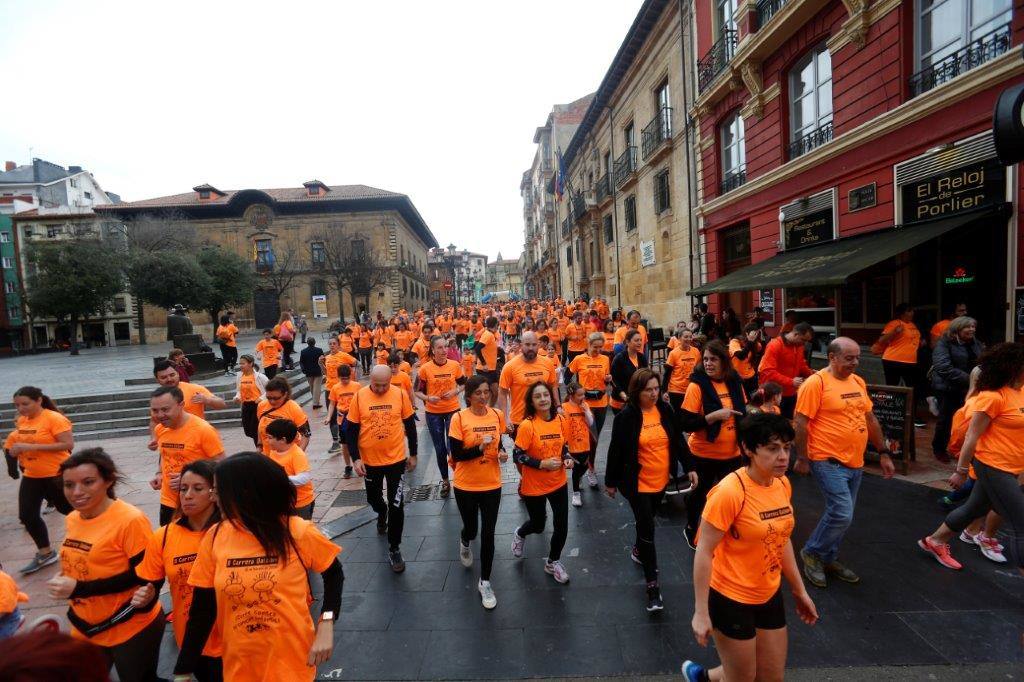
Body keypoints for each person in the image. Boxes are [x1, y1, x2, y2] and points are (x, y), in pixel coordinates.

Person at [173, 453, 342, 682]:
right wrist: (183, 670)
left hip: (291, 665)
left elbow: (334, 574)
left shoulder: (297, 532)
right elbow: (202, 610)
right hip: (239, 667)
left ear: (245, 494)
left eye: (219, 491)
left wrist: (327, 622)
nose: (215, 499)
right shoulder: (215, 537)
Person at [682, 413, 818, 682]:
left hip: (768, 593)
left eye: (787, 448)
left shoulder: (782, 484)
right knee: (743, 677)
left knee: (770, 677)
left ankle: (703, 677)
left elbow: (782, 538)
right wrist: (700, 611)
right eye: (772, 448)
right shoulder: (730, 492)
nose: (783, 456)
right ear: (747, 449)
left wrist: (799, 590)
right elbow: (704, 551)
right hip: (730, 598)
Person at [50, 449, 165, 682]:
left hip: (128, 626)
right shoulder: (72, 518)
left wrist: (78, 588)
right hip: (85, 626)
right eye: (69, 485)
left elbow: (142, 576)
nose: (77, 492)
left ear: (108, 480)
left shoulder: (129, 520)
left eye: (88, 482)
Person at [794, 337, 895, 588]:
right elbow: (801, 423)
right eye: (849, 358)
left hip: (855, 461)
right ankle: (813, 552)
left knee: (842, 515)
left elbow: (870, 419)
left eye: (858, 357)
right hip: (826, 459)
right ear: (832, 357)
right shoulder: (815, 384)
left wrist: (883, 452)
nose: (856, 362)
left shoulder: (857, 381)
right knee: (841, 512)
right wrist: (802, 458)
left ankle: (828, 557)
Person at [918, 342, 1024, 574]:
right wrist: (961, 470)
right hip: (993, 466)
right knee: (1021, 524)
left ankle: (934, 541)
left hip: (1013, 465)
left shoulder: (1021, 392)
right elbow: (971, 436)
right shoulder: (992, 397)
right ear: (1014, 367)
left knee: (973, 508)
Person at [606, 369, 698, 612]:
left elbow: (678, 440)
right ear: (638, 391)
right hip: (636, 485)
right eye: (649, 390)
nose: (654, 394)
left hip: (660, 482)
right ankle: (653, 587)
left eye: (657, 388)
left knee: (645, 524)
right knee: (647, 528)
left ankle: (638, 548)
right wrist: (611, 482)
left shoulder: (665, 411)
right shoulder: (626, 417)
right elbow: (615, 450)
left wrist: (689, 467)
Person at [133, 459, 223, 682]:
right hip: (193, 641)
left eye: (197, 488)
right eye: (183, 488)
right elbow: (150, 583)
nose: (188, 495)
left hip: (236, 639)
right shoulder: (164, 536)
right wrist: (147, 595)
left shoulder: (232, 530)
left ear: (214, 493)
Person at [346, 365, 418, 572]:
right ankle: (381, 511)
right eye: (376, 385)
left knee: (398, 505)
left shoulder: (399, 394)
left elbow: (410, 425)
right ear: (370, 381)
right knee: (374, 499)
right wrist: (356, 459)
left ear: (390, 380)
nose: (379, 389)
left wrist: (413, 454)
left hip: (396, 460)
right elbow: (351, 430)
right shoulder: (359, 396)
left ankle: (394, 548)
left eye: (384, 385)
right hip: (369, 462)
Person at [679, 340, 747, 550]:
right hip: (703, 454)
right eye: (705, 359)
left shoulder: (734, 381)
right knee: (700, 496)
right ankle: (691, 527)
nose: (708, 363)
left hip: (733, 454)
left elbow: (742, 411)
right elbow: (685, 422)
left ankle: (727, 529)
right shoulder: (696, 386)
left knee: (732, 496)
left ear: (724, 362)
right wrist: (712, 417)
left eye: (713, 359)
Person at [448, 375, 507, 610]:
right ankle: (464, 539)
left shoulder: (497, 415)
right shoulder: (459, 418)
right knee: (472, 530)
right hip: (466, 485)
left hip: (492, 484)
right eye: (478, 393)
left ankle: (485, 582)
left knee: (489, 533)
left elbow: (499, 444)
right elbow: (457, 455)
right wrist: (479, 448)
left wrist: (501, 453)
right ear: (469, 396)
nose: (483, 397)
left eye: (486, 392)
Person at [3, 386, 73, 575]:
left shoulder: (54, 418)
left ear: (39, 400)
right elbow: (13, 444)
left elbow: (67, 444)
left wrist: (27, 445)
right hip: (32, 475)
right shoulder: (22, 421)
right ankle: (46, 552)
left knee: (69, 510)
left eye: (25, 404)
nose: (21, 408)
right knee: (27, 515)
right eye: (17, 405)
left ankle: (96, 541)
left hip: (56, 473)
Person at [510, 382, 574, 584]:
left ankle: (552, 562)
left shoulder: (561, 420)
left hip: (558, 482)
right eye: (538, 396)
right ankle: (520, 533)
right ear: (531, 401)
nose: (543, 399)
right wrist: (541, 463)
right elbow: (517, 455)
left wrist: (566, 457)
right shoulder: (528, 425)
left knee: (561, 525)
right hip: (534, 486)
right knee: (538, 526)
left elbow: (563, 445)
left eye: (546, 395)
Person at [149, 385, 226, 526]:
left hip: (198, 501)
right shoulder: (161, 429)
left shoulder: (203, 430)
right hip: (169, 500)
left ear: (181, 405)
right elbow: (165, 453)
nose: (160, 415)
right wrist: (159, 473)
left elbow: (222, 465)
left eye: (165, 409)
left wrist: (188, 480)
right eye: (155, 410)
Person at [416, 336, 467, 499]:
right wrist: (428, 398)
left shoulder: (454, 366)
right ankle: (445, 481)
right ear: (432, 350)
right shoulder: (424, 369)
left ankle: (459, 478)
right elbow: (417, 391)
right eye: (439, 348)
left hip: (453, 410)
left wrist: (455, 391)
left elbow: (464, 384)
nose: (444, 350)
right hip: (433, 413)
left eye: (445, 347)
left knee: (453, 446)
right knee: (440, 449)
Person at [930, 316, 982, 463]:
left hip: (970, 388)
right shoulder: (944, 343)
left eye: (973, 326)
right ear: (957, 329)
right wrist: (971, 379)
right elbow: (943, 367)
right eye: (968, 327)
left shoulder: (975, 343)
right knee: (946, 420)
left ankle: (962, 448)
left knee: (967, 419)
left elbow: (983, 360)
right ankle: (939, 449)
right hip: (948, 388)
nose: (972, 329)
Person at [568, 332, 612, 488]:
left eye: (601, 347)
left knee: (594, 440)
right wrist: (575, 393)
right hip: (583, 404)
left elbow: (607, 379)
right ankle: (579, 472)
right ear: (588, 345)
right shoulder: (579, 359)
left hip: (600, 403)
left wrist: (608, 379)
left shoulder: (605, 359)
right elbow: (568, 376)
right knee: (580, 439)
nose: (598, 350)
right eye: (595, 347)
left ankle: (591, 468)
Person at [498, 331, 558, 437]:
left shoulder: (547, 363)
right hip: (519, 420)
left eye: (534, 345)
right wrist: (505, 419)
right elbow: (502, 393)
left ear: (538, 345)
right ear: (521, 345)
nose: (531, 348)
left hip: (544, 417)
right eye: (527, 344)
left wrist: (558, 406)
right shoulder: (510, 366)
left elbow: (553, 385)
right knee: (522, 453)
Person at [875, 303, 924, 425]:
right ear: (902, 313)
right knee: (893, 389)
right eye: (909, 310)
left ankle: (912, 416)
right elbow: (881, 340)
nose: (912, 313)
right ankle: (892, 414)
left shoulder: (912, 325)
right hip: (893, 360)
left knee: (913, 389)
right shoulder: (894, 323)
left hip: (911, 362)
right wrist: (894, 332)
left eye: (912, 310)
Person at [757, 322, 814, 418]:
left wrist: (812, 374)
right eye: (803, 340)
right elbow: (768, 372)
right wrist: (791, 381)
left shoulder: (799, 346)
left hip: (791, 392)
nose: (804, 344)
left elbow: (801, 364)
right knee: (773, 425)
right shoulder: (775, 345)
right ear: (796, 334)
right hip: (773, 395)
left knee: (789, 422)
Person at [263, 418, 316, 520]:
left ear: (283, 440)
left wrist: (280, 479)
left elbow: (304, 478)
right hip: (283, 502)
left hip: (300, 503)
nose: (267, 441)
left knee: (300, 531)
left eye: (270, 438)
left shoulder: (297, 454)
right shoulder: (274, 452)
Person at [152, 359, 226, 420]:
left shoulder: (194, 389)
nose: (169, 379)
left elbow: (221, 404)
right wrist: (154, 436)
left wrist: (207, 400)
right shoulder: (157, 397)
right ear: (157, 380)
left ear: (178, 374)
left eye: (172, 375)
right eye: (164, 377)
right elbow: (154, 420)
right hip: (168, 436)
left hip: (195, 434)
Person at [320, 337, 359, 454]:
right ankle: (335, 442)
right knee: (331, 416)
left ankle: (350, 437)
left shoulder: (344, 355)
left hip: (343, 389)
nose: (332, 346)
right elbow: (325, 373)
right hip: (329, 388)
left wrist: (353, 378)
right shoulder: (326, 357)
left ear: (338, 345)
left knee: (347, 413)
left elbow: (356, 363)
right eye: (330, 344)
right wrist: (320, 364)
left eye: (334, 343)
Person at [256, 376, 311, 456]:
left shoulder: (294, 408)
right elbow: (260, 427)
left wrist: (299, 455)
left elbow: (306, 434)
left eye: (276, 398)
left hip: (287, 456)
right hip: (267, 457)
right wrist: (259, 446)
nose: (272, 401)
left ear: (285, 394)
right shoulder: (262, 406)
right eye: (269, 398)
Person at [561, 383, 595, 508]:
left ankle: (580, 477)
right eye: (580, 394)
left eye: (583, 394)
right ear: (571, 395)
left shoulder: (585, 405)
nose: (583, 396)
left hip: (585, 443)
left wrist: (586, 412)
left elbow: (591, 423)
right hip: (572, 444)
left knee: (584, 466)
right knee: (576, 470)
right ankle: (576, 494)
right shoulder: (564, 407)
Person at [326, 364, 360, 478]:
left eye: (347, 378)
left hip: (355, 419)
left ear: (350, 376)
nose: (345, 381)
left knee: (359, 442)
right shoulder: (335, 388)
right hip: (342, 419)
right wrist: (329, 417)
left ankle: (361, 463)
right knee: (344, 444)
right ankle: (348, 466)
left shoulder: (357, 386)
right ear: (338, 377)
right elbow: (332, 404)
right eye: (342, 378)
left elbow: (362, 401)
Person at [233, 353, 267, 448]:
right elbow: (239, 390)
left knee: (255, 429)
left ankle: (260, 448)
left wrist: (261, 398)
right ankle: (262, 443)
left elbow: (270, 390)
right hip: (245, 406)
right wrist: (237, 397)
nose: (241, 365)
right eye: (240, 363)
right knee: (248, 431)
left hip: (257, 406)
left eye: (243, 363)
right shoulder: (240, 376)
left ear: (251, 364)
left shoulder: (260, 377)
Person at [610, 329, 649, 413]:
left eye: (640, 340)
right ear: (627, 342)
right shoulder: (619, 358)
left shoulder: (642, 357)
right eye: (636, 340)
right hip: (620, 402)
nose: (639, 343)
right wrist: (622, 394)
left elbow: (646, 377)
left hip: (637, 400)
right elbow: (613, 380)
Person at [663, 329, 702, 412]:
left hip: (691, 389)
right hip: (676, 390)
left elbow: (699, 370)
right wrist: (664, 391)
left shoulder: (696, 351)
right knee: (678, 415)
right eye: (686, 337)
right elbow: (667, 374)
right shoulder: (673, 353)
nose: (688, 339)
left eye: (690, 337)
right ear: (679, 338)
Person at [730, 323, 762, 399]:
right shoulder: (735, 342)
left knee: (755, 401)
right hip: (738, 377)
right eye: (754, 334)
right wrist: (750, 342)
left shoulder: (757, 345)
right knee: (741, 401)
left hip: (751, 377)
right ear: (746, 333)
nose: (755, 336)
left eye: (757, 334)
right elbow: (741, 356)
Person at [475, 316, 501, 406]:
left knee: (495, 392)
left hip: (491, 369)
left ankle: (489, 408)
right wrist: (484, 363)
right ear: (495, 325)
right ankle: (482, 409)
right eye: (497, 324)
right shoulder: (488, 335)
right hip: (484, 369)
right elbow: (477, 348)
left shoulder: (490, 334)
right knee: (485, 393)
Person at [0, 570, 27, 639]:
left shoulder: (3, 580)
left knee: (3, 642)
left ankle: (16, 620)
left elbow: (6, 604)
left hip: (7, 616)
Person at [299, 338, 325, 409]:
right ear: (315, 342)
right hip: (318, 371)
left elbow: (301, 362)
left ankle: (315, 401)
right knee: (317, 387)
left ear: (307, 343)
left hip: (308, 372)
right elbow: (323, 360)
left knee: (311, 386)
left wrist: (303, 369)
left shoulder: (303, 351)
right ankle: (315, 403)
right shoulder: (319, 350)